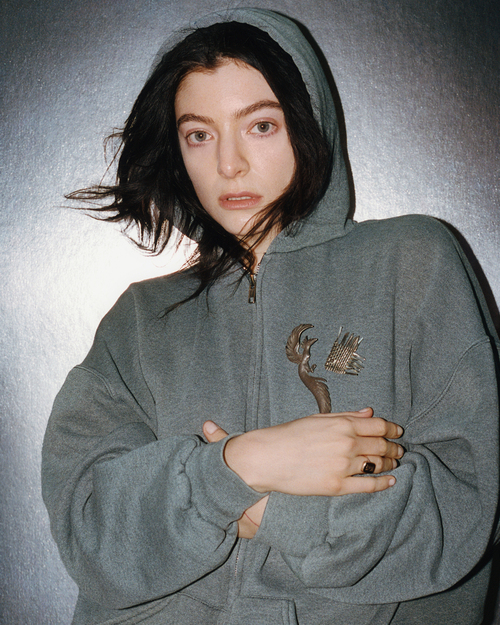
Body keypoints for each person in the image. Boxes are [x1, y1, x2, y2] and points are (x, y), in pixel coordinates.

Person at [42, 8, 499, 625]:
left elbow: (468, 510)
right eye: (199, 135)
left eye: (260, 125)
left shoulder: (413, 261)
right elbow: (91, 530)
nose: (228, 164)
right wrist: (244, 463)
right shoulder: (140, 319)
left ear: (307, 125)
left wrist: (266, 511)